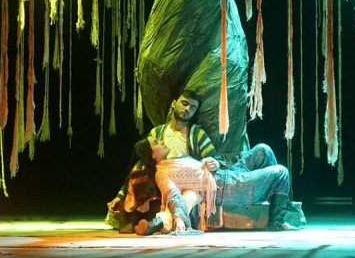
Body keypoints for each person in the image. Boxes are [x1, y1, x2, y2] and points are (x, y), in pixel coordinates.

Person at [105, 90, 225, 232]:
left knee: (191, 195)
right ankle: (143, 220)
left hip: (188, 183)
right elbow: (142, 163)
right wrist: (120, 195)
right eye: (184, 103)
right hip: (162, 184)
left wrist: (215, 163)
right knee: (141, 174)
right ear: (174, 103)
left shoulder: (197, 134)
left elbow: (215, 158)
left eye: (192, 107)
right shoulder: (157, 133)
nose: (187, 109)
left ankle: (160, 223)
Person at [134, 134, 300, 234]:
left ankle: (280, 202)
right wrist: (180, 220)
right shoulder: (162, 173)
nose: (161, 141)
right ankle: (276, 222)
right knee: (281, 172)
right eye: (156, 142)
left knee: (263, 150)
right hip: (227, 187)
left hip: (227, 173)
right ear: (152, 155)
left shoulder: (174, 160)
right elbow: (173, 196)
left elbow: (205, 167)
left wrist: (214, 163)